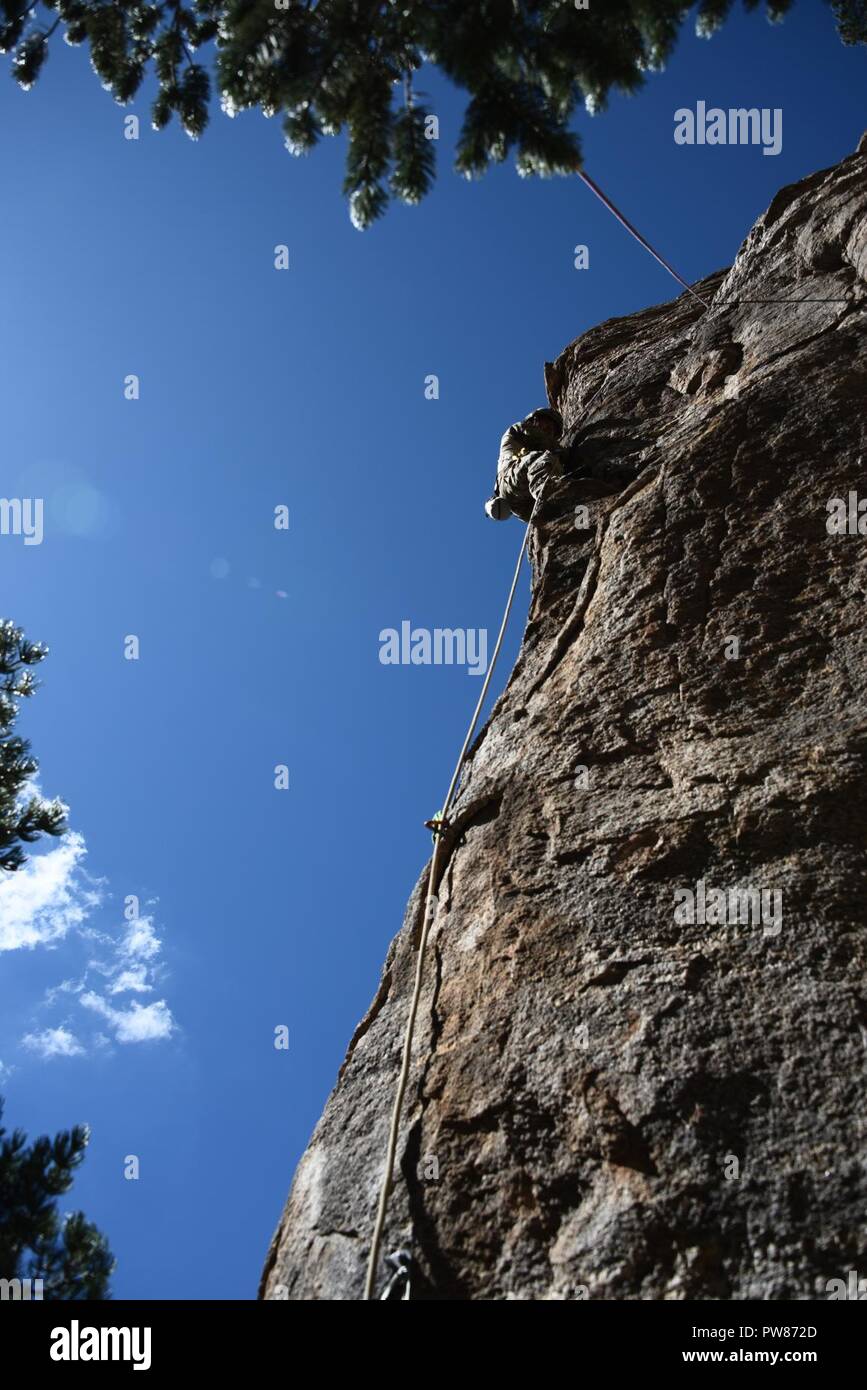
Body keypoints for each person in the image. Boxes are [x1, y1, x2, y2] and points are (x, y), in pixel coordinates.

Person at [485, 407, 566, 522]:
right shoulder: (518, 429)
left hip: (519, 505)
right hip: (510, 478)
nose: (549, 432)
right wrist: (562, 450)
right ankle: (549, 492)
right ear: (534, 420)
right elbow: (538, 437)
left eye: (552, 431)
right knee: (538, 459)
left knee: (546, 517)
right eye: (547, 426)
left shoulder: (545, 448)